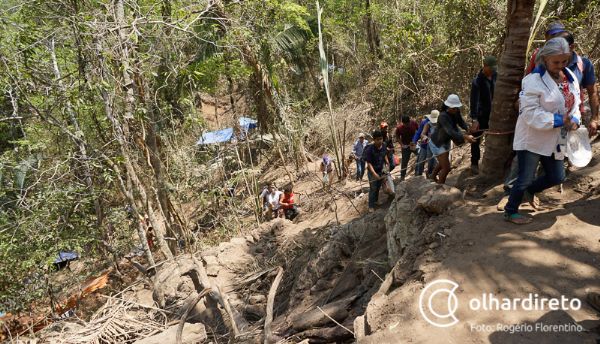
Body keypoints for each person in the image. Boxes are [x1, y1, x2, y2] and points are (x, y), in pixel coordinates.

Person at [504, 37, 581, 224]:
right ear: (545, 58)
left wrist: (576, 119)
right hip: (533, 138)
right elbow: (530, 113)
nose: (560, 65)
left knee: (557, 176)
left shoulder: (569, 77)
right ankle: (511, 211)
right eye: (556, 62)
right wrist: (558, 120)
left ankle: (530, 191)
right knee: (524, 177)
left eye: (564, 61)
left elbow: (575, 103)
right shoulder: (532, 81)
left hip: (557, 138)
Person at [429, 94, 476, 184]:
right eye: (454, 108)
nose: (455, 110)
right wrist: (465, 136)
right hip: (437, 144)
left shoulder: (456, 112)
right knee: (446, 168)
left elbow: (461, 122)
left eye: (456, 108)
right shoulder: (442, 116)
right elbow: (450, 131)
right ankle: (440, 187)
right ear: (449, 106)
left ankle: (432, 176)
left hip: (446, 141)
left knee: (443, 162)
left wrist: (467, 128)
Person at [469, 56, 497, 175]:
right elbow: (474, 101)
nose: (492, 70)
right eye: (490, 68)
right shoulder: (477, 82)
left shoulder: (496, 75)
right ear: (485, 66)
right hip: (481, 116)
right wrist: (475, 119)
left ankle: (490, 161)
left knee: (493, 137)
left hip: (495, 114)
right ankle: (474, 163)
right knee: (476, 139)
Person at [363, 129, 390, 213]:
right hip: (372, 172)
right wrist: (374, 174)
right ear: (374, 140)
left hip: (381, 169)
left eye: (381, 139)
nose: (380, 141)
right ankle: (371, 206)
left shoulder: (384, 145)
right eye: (377, 139)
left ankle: (376, 201)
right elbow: (369, 164)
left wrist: (387, 163)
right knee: (373, 188)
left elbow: (384, 154)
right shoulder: (370, 149)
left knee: (378, 186)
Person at [413, 110, 439, 177]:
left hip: (435, 146)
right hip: (425, 145)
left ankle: (431, 175)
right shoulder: (425, 122)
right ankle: (418, 175)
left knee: (433, 161)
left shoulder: (441, 123)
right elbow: (419, 133)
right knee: (421, 161)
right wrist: (414, 141)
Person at [395, 115, 419, 181]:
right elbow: (397, 136)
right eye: (405, 124)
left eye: (408, 123)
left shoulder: (414, 123)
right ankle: (402, 177)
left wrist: (416, 140)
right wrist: (402, 144)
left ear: (409, 121)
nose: (407, 125)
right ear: (403, 123)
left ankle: (418, 173)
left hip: (414, 144)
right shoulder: (399, 128)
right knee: (404, 162)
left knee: (420, 156)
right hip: (405, 146)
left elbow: (419, 131)